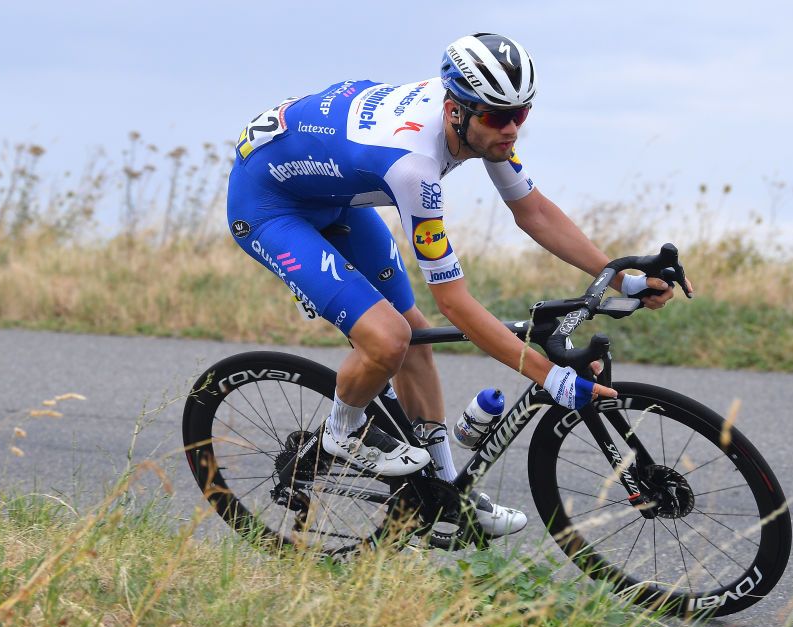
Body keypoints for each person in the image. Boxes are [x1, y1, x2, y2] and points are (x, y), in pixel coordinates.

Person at [226, 33, 681, 537]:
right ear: (455, 110)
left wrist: (622, 276)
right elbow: (455, 302)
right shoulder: (413, 164)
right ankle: (342, 432)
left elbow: (531, 211)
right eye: (496, 116)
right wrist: (548, 377)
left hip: (332, 195)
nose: (510, 128)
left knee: (414, 337)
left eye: (521, 114)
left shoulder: (478, 122)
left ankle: (446, 494)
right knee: (387, 338)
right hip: (269, 206)